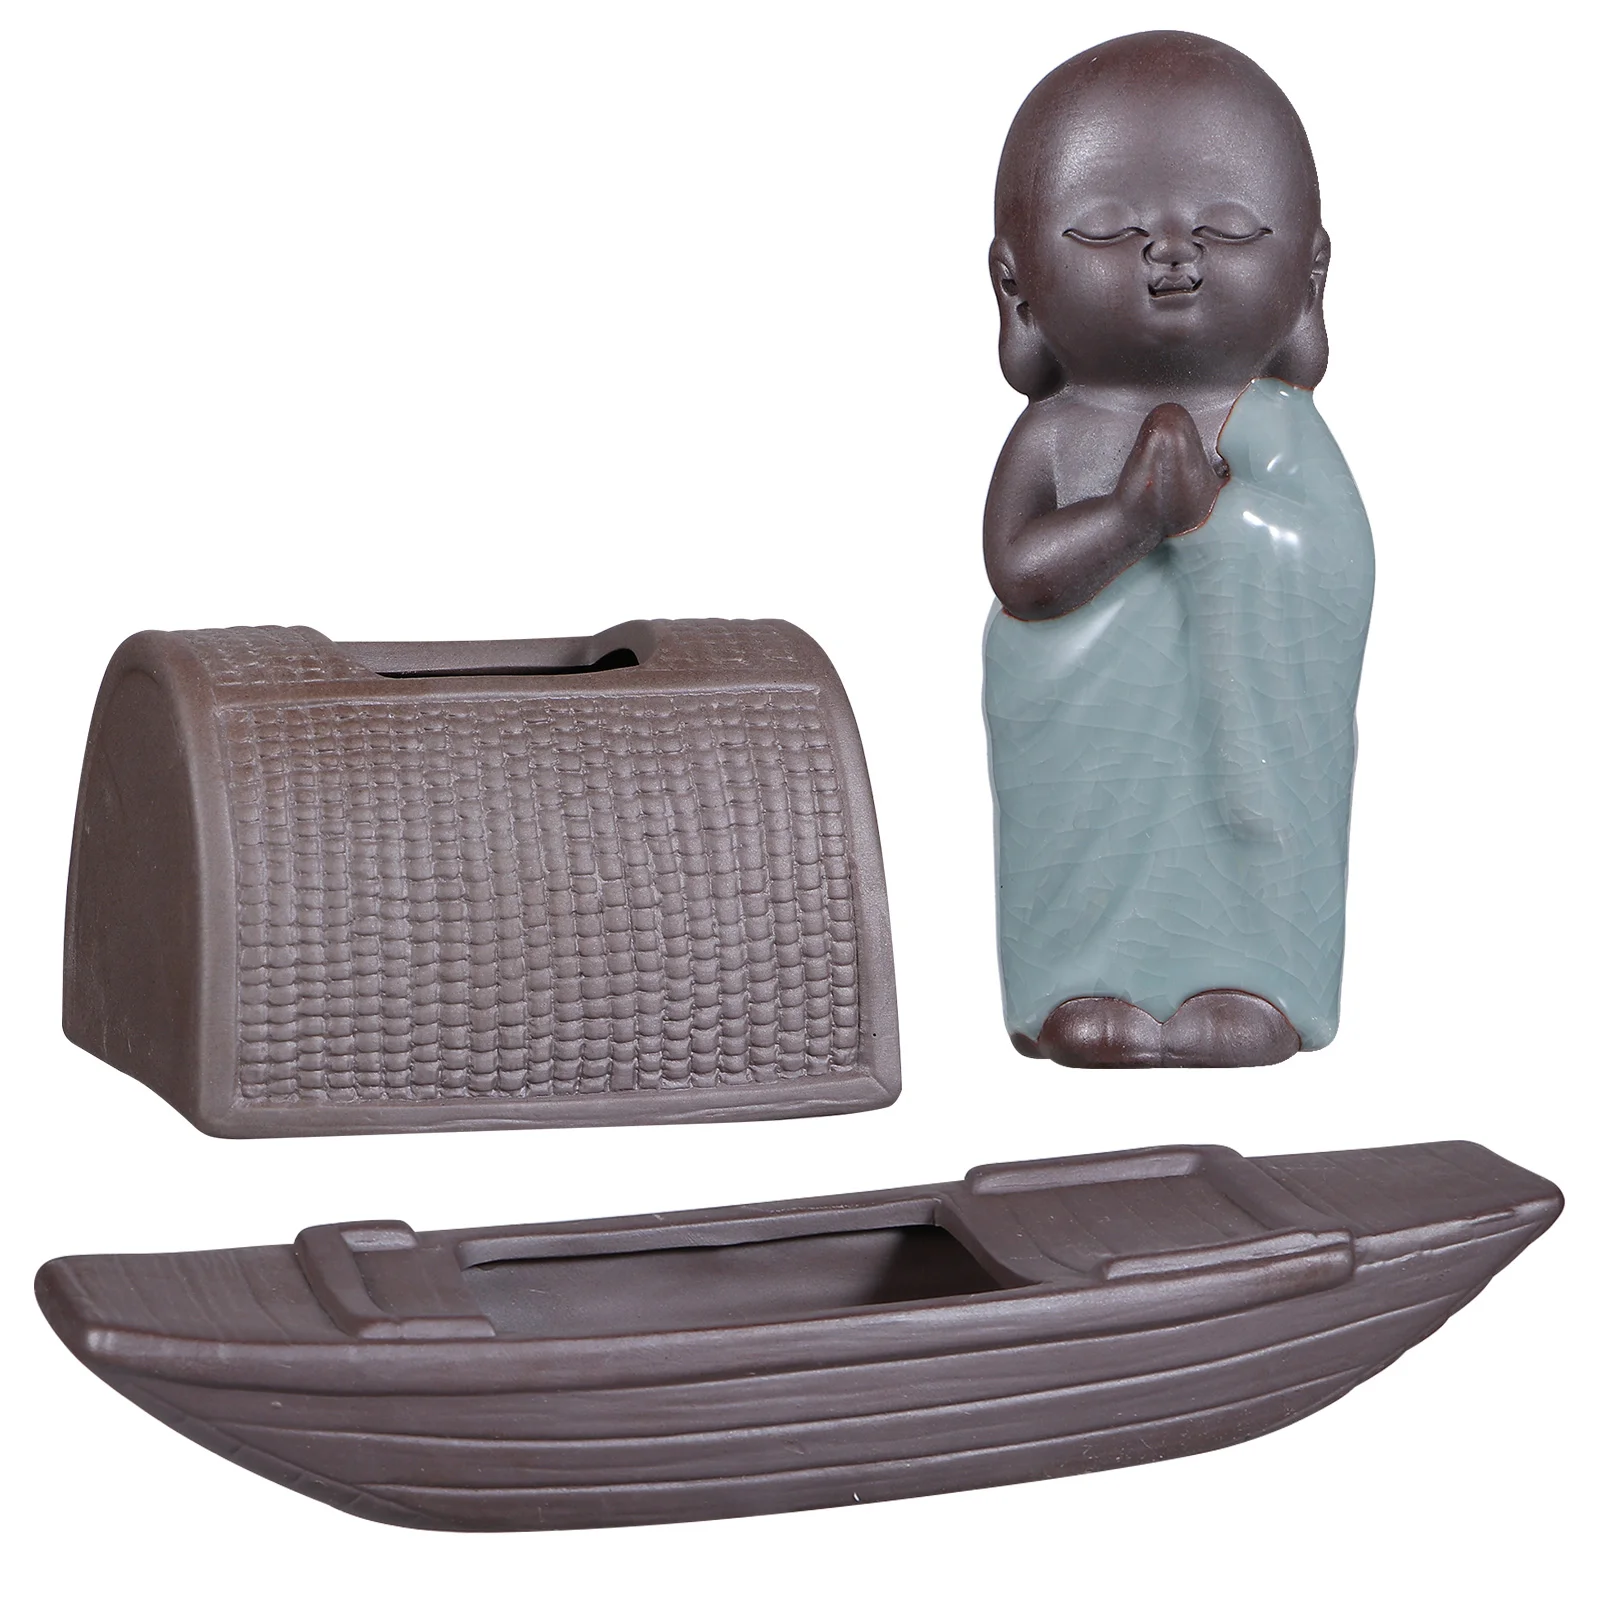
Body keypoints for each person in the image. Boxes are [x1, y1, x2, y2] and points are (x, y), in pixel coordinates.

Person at [983, 31, 1375, 1067]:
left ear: (1309, 277)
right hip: (1082, 748)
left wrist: (1211, 524)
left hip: (1239, 763)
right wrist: (1128, 521)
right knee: (1084, 841)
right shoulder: (1055, 432)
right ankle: (1084, 987)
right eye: (1110, 230)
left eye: (1227, 227)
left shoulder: (1276, 425)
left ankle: (1249, 981)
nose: (1171, 252)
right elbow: (1017, 573)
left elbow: (1335, 570)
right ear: (1017, 290)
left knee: (1237, 860)